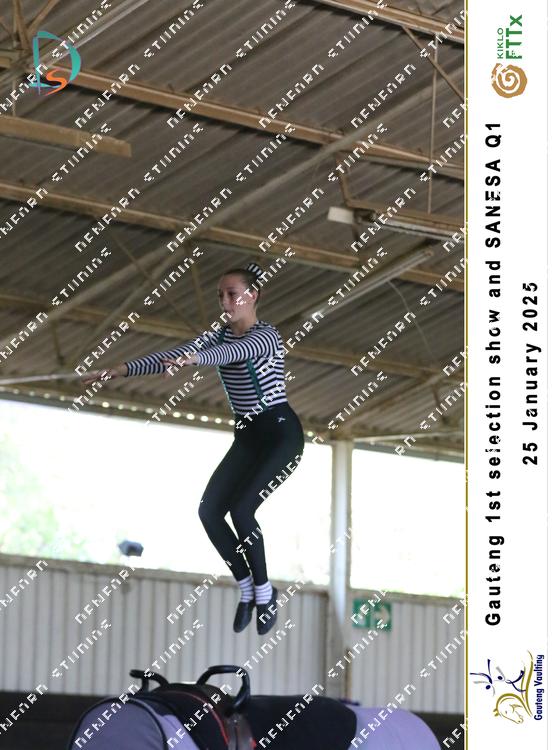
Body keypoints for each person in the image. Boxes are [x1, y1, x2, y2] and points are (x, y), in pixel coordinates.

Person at [83, 262, 305, 635]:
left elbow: (233, 353)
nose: (225, 302)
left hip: (280, 434)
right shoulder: (216, 337)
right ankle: (247, 587)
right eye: (220, 296)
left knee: (242, 510)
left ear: (253, 295)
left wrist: (195, 359)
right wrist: (118, 370)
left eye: (232, 294)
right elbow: (173, 355)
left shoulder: (266, 336)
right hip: (248, 435)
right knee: (209, 511)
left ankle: (266, 592)